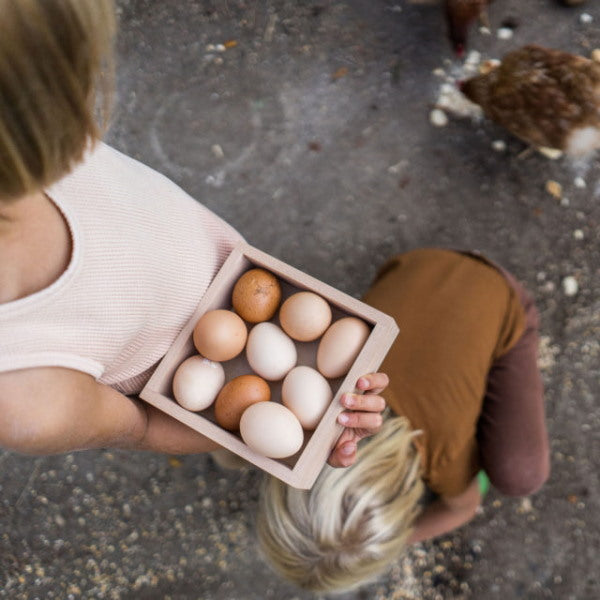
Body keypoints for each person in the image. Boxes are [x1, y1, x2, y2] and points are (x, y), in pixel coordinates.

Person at [0, 0, 387, 467]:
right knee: (237, 431)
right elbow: (143, 425)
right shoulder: (27, 395)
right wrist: (280, 427)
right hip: (190, 384)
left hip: (239, 295)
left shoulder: (30, 136)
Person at [257, 248, 551, 593]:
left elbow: (462, 508)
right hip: (413, 265)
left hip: (499, 291)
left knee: (521, 475)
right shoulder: (309, 397)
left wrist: (399, 540)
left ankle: (516, 328)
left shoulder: (443, 459)